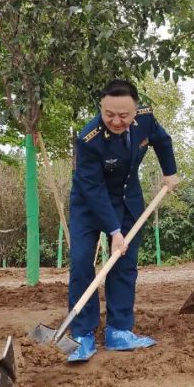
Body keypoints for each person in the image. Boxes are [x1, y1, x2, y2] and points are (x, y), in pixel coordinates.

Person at [65, 78, 179, 362]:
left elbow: (162, 141)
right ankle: (82, 332)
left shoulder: (146, 119)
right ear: (101, 109)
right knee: (81, 262)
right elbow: (93, 189)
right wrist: (114, 231)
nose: (116, 121)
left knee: (124, 265)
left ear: (135, 109)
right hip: (89, 204)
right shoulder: (87, 139)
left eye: (123, 115)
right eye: (109, 115)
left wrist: (170, 171)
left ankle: (118, 330)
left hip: (127, 199)